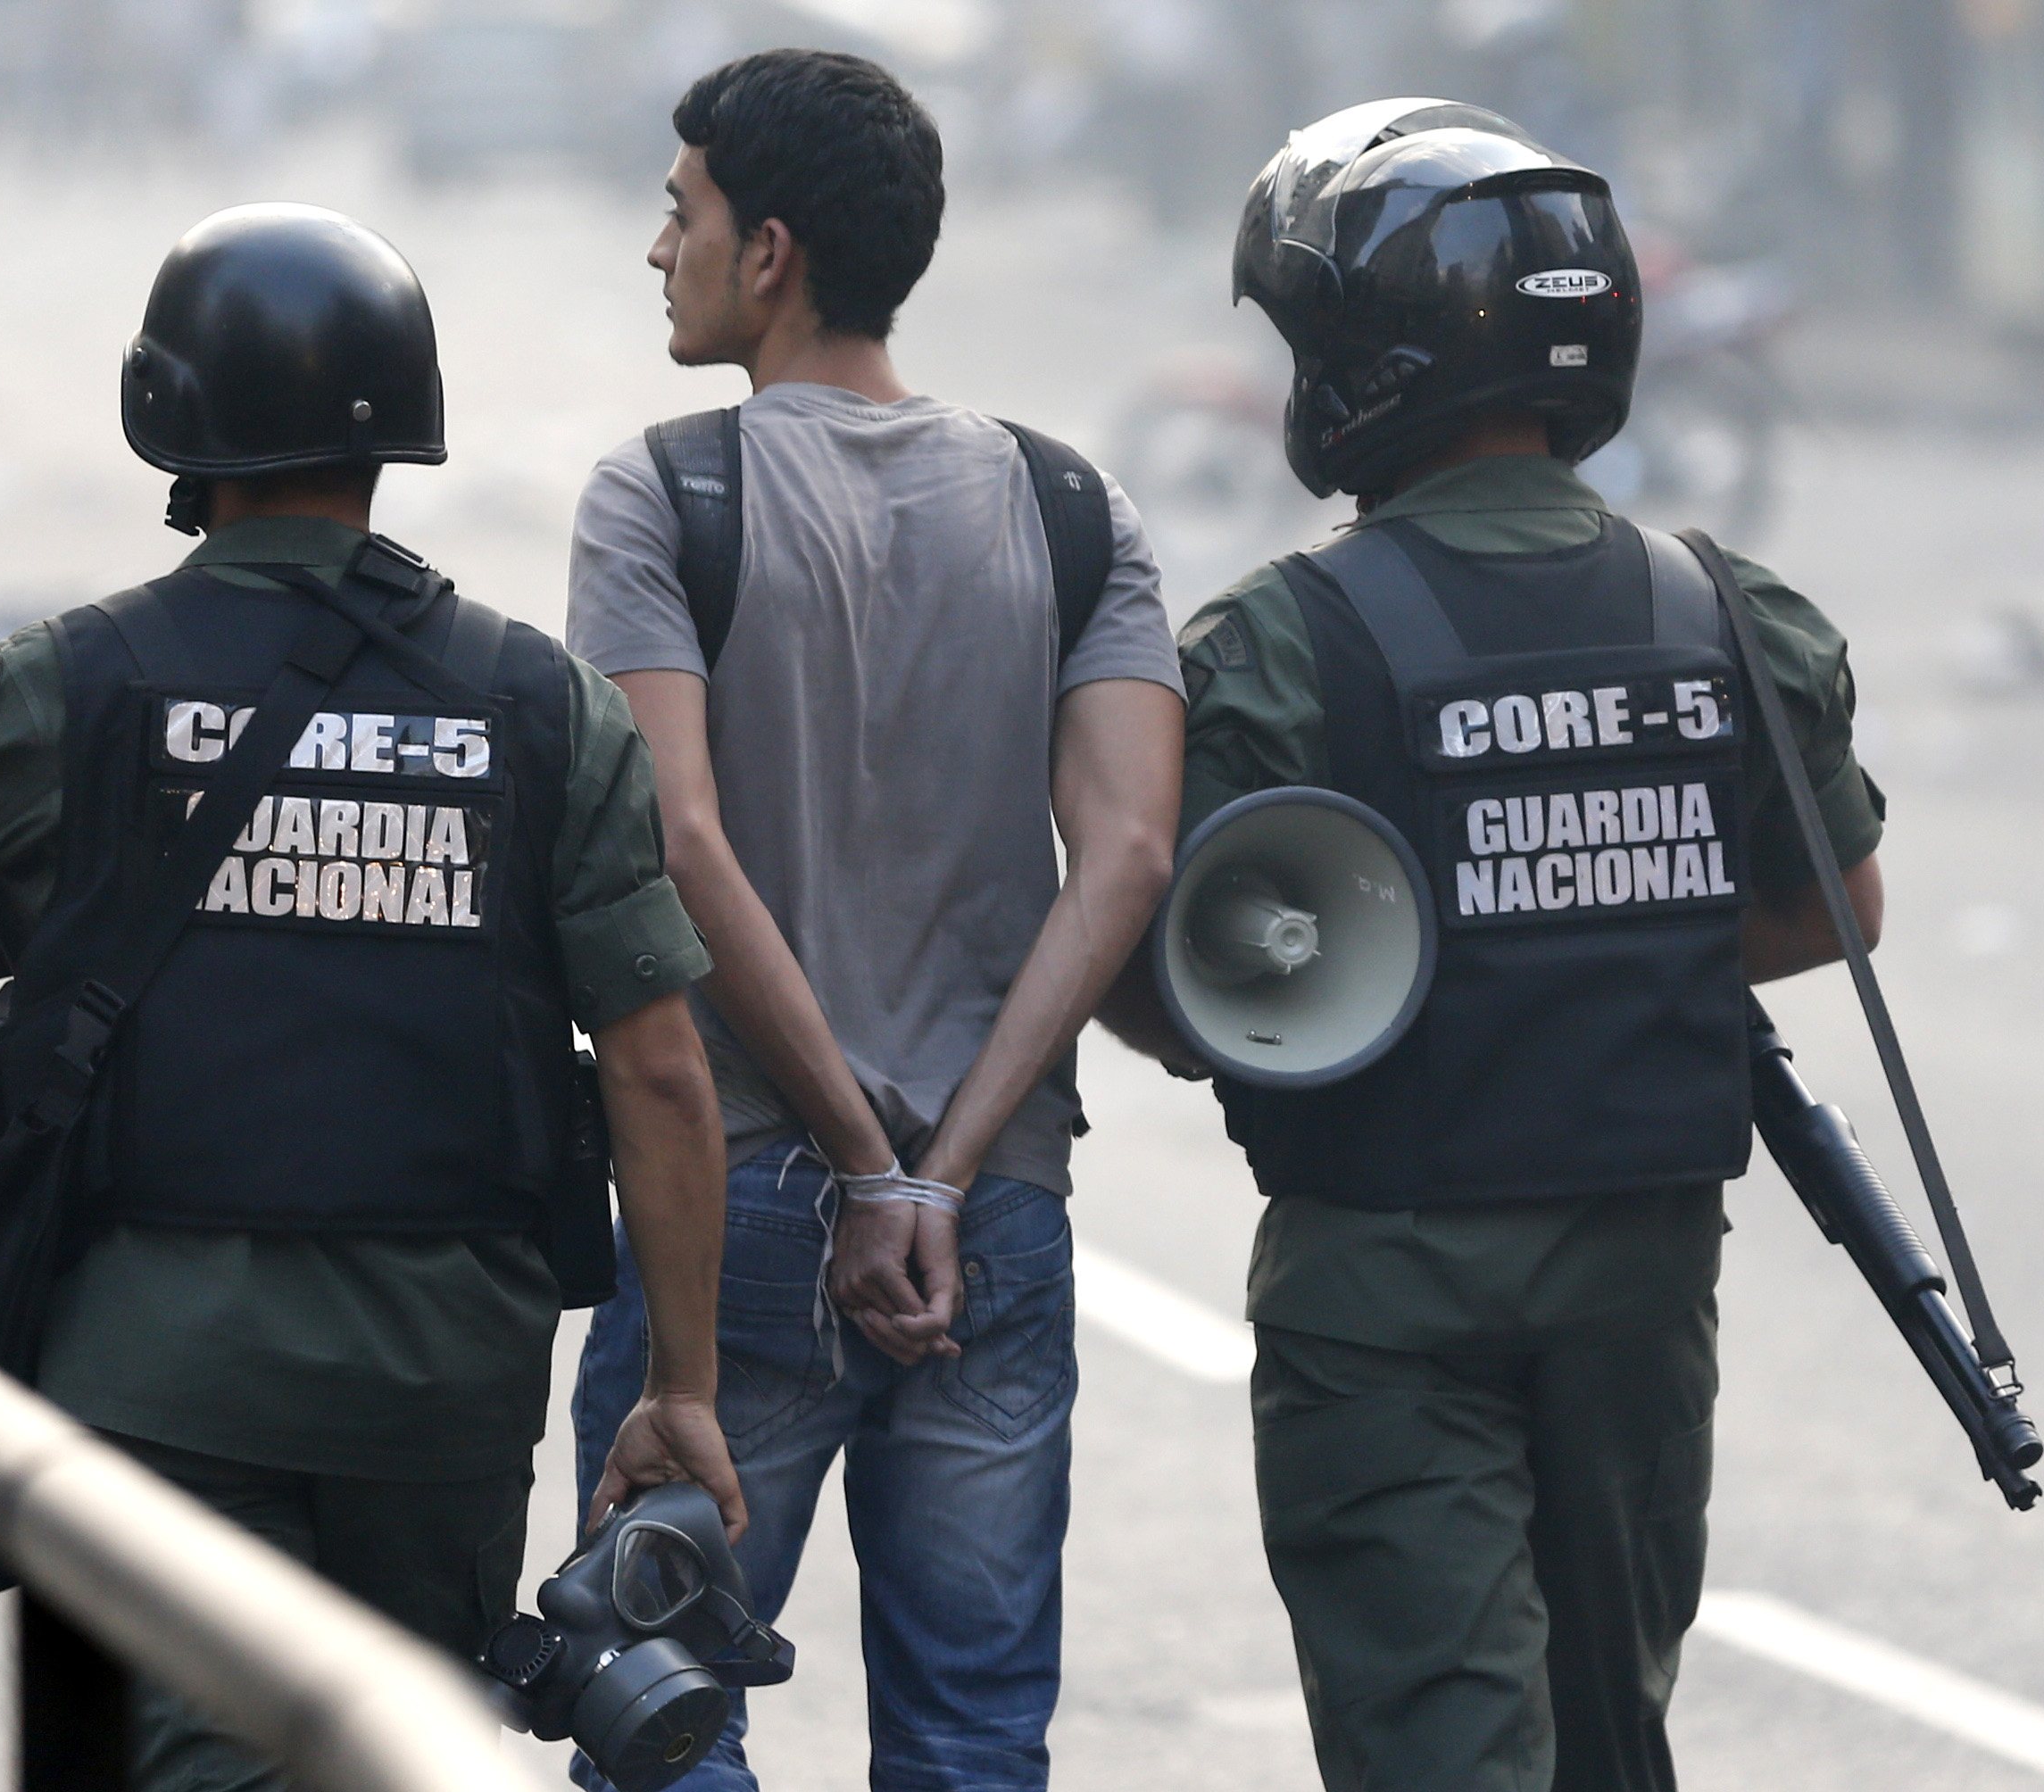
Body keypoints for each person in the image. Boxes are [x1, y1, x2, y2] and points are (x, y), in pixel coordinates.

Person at [0, 203, 742, 1792]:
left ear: (167, 410)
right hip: (446, 1387)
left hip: (159, 1376)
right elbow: (663, 1076)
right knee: (409, 1754)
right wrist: (681, 1389)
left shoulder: (79, 681)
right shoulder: (546, 707)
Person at [1099, 101, 1889, 1792]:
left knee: (1442, 1748)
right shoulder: (1720, 605)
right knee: (1615, 1737)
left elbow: (1166, 994)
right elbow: (1843, 907)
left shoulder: (1271, 646)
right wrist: (1605, 927)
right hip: (1645, 1276)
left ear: (1360, 366)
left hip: (1385, 1283)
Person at [565, 49, 1185, 1792]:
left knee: (658, 1704)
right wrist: (936, 1164)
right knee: (977, 1729)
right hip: (990, 1219)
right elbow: (1130, 852)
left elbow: (678, 838)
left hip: (741, 1209)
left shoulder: (664, 495)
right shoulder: (1071, 506)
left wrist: (849, 1145)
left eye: (676, 211)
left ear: (769, 251)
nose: (655, 248)